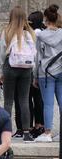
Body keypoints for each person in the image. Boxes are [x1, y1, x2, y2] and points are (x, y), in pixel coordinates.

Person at [0, 6, 36, 143]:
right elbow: (34, 54)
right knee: (24, 100)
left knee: (8, 101)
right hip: (26, 68)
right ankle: (26, 132)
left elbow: (2, 53)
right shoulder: (30, 33)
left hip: (10, 66)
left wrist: (0, 70)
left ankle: (6, 132)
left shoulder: (7, 32)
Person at [34, 5, 62, 143]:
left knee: (48, 104)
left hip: (45, 72)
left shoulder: (40, 35)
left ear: (45, 19)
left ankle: (48, 132)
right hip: (61, 70)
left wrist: (35, 76)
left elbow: (38, 56)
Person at [27, 11, 46, 139]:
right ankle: (40, 124)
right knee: (39, 99)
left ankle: (32, 126)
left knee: (29, 99)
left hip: (30, 68)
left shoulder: (33, 34)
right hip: (41, 69)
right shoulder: (43, 33)